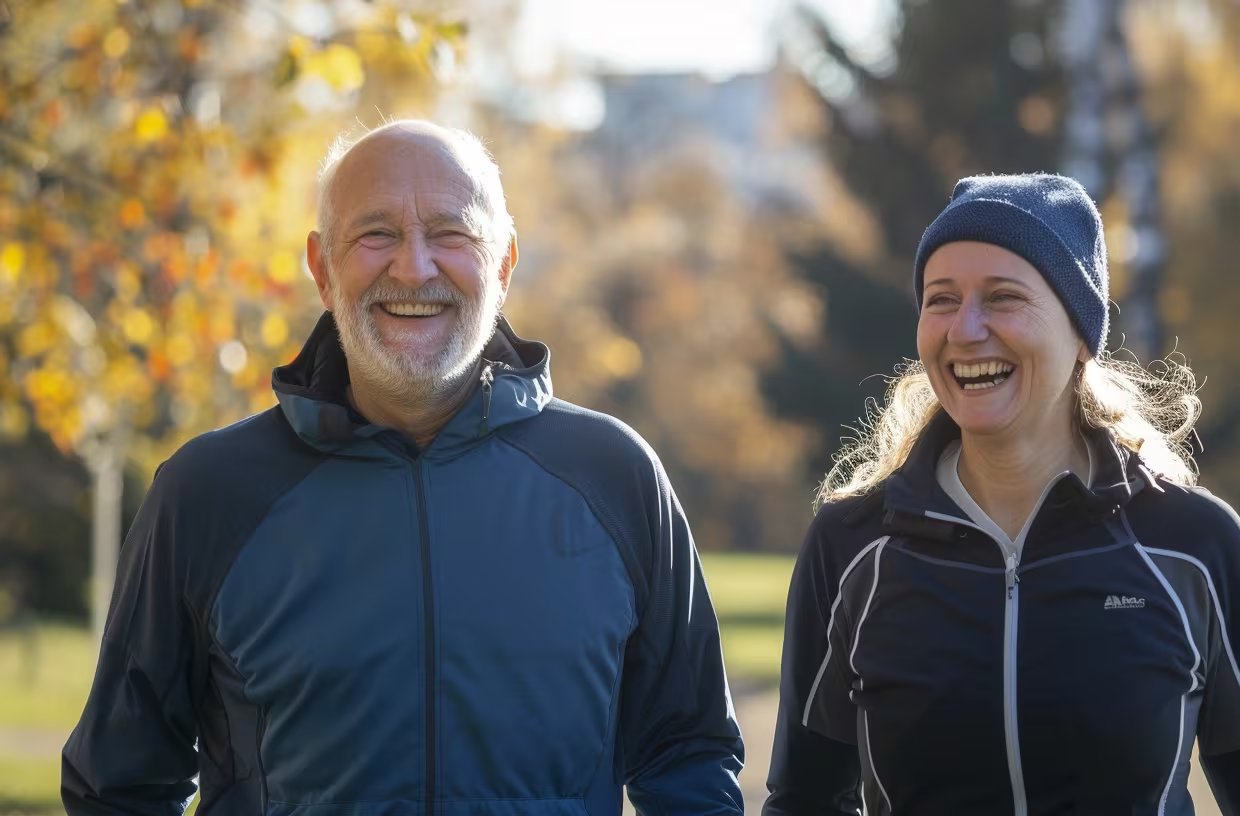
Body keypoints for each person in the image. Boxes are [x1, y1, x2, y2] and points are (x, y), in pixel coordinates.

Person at [62, 120, 745, 815]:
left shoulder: (614, 478)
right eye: (376, 234)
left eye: (451, 233)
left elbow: (688, 757)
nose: (414, 268)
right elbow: (118, 785)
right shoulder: (207, 494)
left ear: (504, 265)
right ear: (322, 267)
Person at [764, 174, 1240, 815]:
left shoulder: (1192, 544)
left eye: (1004, 297)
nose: (966, 329)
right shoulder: (852, 547)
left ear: (1083, 336)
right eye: (941, 299)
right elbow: (803, 800)